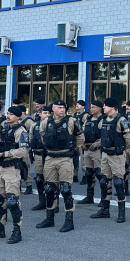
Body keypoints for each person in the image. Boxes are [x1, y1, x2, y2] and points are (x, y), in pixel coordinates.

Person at [36, 99, 84, 232]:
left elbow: (80, 138)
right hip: (50, 158)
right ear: (53, 109)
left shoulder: (72, 122)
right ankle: (49, 218)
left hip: (65, 158)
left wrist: (74, 150)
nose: (62, 110)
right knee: (50, 189)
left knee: (66, 189)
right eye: (59, 107)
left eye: (63, 107)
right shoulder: (45, 122)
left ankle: (69, 221)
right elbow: (42, 137)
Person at [0, 106, 29, 243]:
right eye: (7, 113)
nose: (8, 116)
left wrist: (5, 154)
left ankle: (16, 231)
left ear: (18, 116)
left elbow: (23, 151)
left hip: (11, 167)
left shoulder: (20, 131)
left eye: (11, 114)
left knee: (12, 201)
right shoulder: (2, 128)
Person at [91, 98, 130, 223]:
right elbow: (102, 136)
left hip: (116, 155)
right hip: (105, 154)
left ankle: (121, 213)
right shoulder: (103, 120)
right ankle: (105, 210)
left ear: (112, 107)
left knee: (119, 182)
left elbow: (129, 139)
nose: (103, 107)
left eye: (105, 106)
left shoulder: (121, 120)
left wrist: (122, 149)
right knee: (104, 181)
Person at [77, 100, 104, 205]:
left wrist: (95, 145)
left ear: (99, 108)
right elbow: (81, 133)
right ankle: (89, 196)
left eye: (93, 107)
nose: (91, 109)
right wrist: (81, 144)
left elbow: (105, 136)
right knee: (88, 173)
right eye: (91, 107)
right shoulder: (88, 119)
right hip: (87, 149)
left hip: (97, 150)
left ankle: (103, 199)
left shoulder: (102, 119)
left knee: (99, 174)